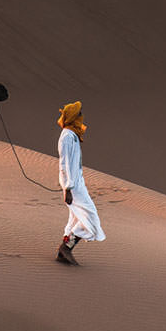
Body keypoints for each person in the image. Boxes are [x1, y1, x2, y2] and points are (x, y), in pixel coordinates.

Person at [55, 100, 104, 265]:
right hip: (73, 186)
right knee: (91, 216)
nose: (82, 116)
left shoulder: (73, 135)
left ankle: (64, 250)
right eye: (79, 114)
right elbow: (65, 163)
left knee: (77, 218)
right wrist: (67, 187)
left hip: (77, 183)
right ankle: (66, 247)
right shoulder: (67, 136)